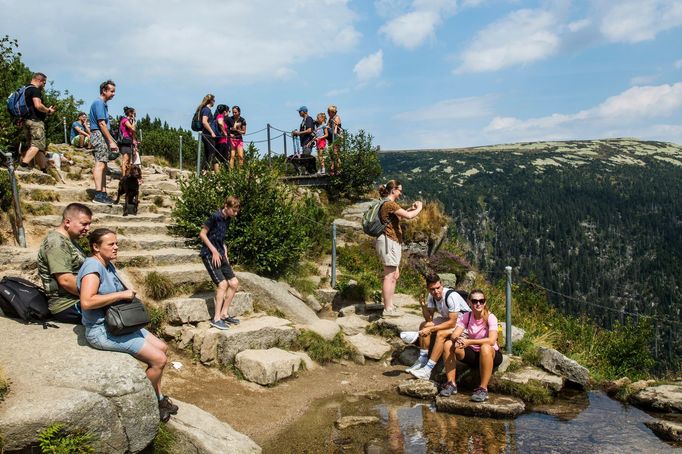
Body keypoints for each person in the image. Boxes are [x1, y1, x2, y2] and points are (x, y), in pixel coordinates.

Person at [77, 228, 178, 421]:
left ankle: (158, 397)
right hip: (102, 330)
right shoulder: (92, 267)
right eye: (111, 244)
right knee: (158, 360)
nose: (116, 248)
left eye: (117, 244)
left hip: (118, 324)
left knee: (163, 348)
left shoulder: (107, 264)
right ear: (96, 247)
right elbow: (87, 302)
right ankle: (147, 403)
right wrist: (121, 295)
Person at [440, 289, 503, 401]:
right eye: (474, 301)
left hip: (491, 354)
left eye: (481, 301)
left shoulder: (490, 317)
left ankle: (483, 389)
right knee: (448, 344)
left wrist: (469, 342)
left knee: (485, 347)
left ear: (485, 302)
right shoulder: (467, 317)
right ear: (469, 302)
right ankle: (451, 384)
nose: (478, 304)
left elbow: (492, 340)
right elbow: (454, 334)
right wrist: (458, 339)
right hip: (474, 354)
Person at [37, 203, 93, 323]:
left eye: (89, 224)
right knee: (118, 314)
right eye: (84, 224)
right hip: (67, 305)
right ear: (67, 222)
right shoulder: (56, 243)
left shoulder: (70, 240)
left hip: (79, 298)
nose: (88, 228)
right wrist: (97, 293)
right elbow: (66, 281)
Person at [408, 274, 470, 380]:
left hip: (464, 323)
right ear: (428, 288)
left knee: (440, 334)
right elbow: (429, 319)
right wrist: (423, 305)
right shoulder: (431, 296)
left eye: (438, 288)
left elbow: (452, 322)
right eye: (432, 289)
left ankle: (428, 369)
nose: (436, 292)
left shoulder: (451, 296)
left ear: (441, 284)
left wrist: (431, 329)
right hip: (449, 319)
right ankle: (422, 360)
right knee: (424, 325)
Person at [376, 180, 422, 317]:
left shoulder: (388, 204)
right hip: (388, 241)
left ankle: (390, 304)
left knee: (394, 275)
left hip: (392, 241)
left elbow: (401, 215)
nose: (401, 193)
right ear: (393, 190)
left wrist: (411, 208)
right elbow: (408, 216)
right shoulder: (388, 203)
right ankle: (387, 307)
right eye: (400, 190)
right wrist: (420, 208)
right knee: (389, 275)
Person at [198, 196, 241, 330]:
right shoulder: (215, 216)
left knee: (234, 283)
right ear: (227, 207)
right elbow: (202, 234)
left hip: (221, 255)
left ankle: (224, 314)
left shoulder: (227, 219)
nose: (236, 213)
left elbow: (221, 238)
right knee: (222, 284)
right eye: (233, 211)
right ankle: (216, 319)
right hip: (209, 255)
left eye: (236, 211)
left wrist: (224, 252)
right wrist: (214, 251)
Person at [18, 72, 55, 171]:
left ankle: (44, 170)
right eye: (44, 83)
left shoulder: (25, 89)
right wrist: (48, 110)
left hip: (26, 121)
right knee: (37, 145)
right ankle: (23, 166)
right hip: (35, 122)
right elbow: (38, 105)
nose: (44, 85)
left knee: (37, 148)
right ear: (40, 80)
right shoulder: (35, 90)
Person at [89, 80, 118, 205]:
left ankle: (103, 193)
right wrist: (111, 141)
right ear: (104, 91)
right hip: (98, 135)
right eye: (111, 91)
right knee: (100, 164)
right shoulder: (99, 103)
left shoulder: (103, 104)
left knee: (104, 165)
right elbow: (101, 124)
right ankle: (98, 194)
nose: (113, 94)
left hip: (101, 136)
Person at [195, 94, 216, 170]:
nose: (214, 102)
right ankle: (205, 172)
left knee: (207, 153)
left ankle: (203, 171)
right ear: (210, 101)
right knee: (211, 153)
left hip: (206, 134)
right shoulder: (207, 110)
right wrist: (212, 132)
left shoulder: (203, 109)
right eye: (214, 100)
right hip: (208, 135)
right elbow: (204, 122)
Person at [119, 107, 137, 177]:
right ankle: (123, 176)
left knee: (128, 160)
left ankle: (127, 175)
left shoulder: (129, 120)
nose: (135, 114)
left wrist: (134, 140)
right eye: (134, 113)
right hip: (125, 141)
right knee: (125, 159)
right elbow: (132, 128)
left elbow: (133, 132)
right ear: (130, 113)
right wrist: (134, 121)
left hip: (129, 141)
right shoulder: (125, 120)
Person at [212, 104, 230, 172]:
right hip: (221, 141)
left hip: (222, 141)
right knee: (218, 159)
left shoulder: (219, 116)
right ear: (224, 111)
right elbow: (220, 123)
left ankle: (222, 175)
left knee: (224, 159)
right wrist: (224, 132)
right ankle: (218, 175)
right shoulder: (220, 116)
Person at [327, 105, 343, 174]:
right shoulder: (330, 118)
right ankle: (332, 169)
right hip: (331, 138)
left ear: (333, 112)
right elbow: (327, 126)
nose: (328, 113)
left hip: (336, 137)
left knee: (336, 154)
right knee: (331, 155)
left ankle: (339, 169)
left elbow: (336, 127)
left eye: (329, 112)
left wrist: (334, 126)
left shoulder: (336, 117)